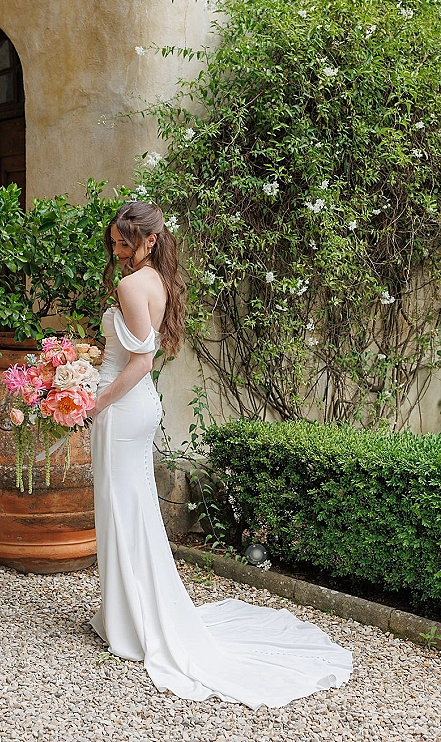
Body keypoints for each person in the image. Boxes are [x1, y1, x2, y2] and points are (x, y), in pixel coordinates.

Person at [89, 201, 352, 710]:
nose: (117, 250)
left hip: (121, 408)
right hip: (135, 409)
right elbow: (147, 353)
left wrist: (94, 401)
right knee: (131, 507)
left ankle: (130, 623)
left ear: (148, 240)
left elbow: (141, 362)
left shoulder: (129, 285)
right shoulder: (158, 281)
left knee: (121, 508)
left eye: (125, 241)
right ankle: (126, 612)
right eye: (115, 241)